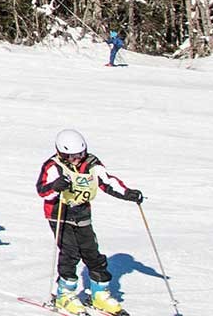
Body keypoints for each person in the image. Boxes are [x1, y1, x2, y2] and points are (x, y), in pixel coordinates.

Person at [36, 128, 144, 315]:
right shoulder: (53, 166)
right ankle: (64, 294)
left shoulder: (91, 163)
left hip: (82, 213)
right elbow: (42, 191)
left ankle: (100, 294)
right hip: (59, 214)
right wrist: (56, 186)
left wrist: (127, 193)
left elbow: (107, 181)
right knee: (70, 253)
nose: (77, 159)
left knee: (92, 253)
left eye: (80, 154)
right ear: (62, 153)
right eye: (71, 156)